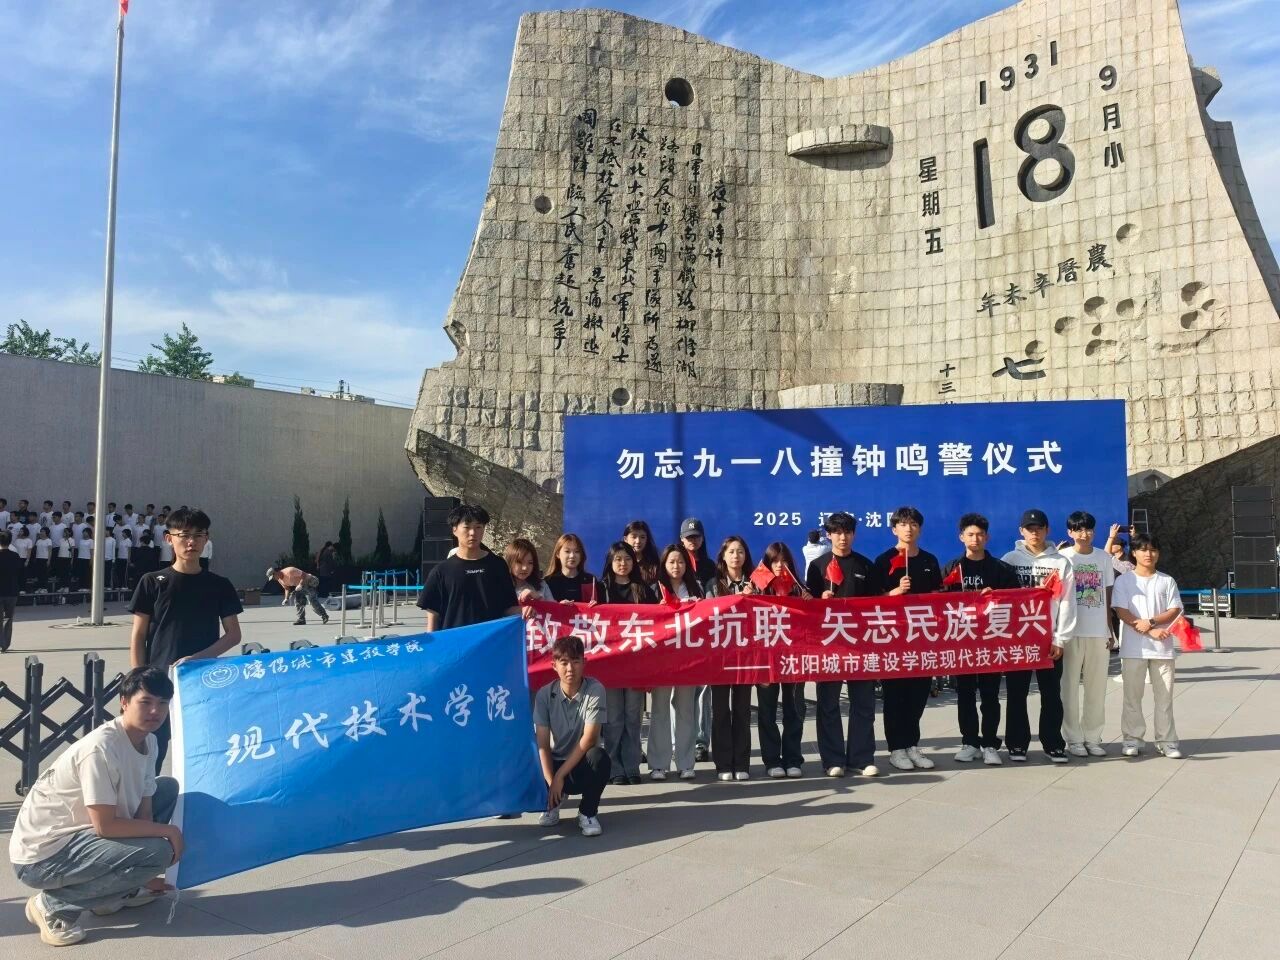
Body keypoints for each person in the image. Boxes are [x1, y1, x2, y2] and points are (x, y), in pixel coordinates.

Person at [9, 667, 182, 947]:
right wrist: (168, 833)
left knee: (167, 789)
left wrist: (144, 876)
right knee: (159, 851)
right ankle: (53, 906)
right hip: (42, 856)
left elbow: (145, 808)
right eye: (146, 702)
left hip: (82, 836)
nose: (155, 711)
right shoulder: (101, 748)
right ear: (124, 703)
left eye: (162, 703)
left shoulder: (149, 740)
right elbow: (106, 826)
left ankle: (115, 893)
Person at [127, 508, 243, 771]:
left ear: (206, 539)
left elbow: (233, 635)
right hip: (158, 684)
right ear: (169, 539)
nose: (191, 542)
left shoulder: (219, 585)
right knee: (150, 758)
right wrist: (139, 680)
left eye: (198, 535)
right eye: (184, 535)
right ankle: (148, 798)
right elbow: (139, 635)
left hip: (203, 682)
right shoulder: (152, 582)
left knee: (202, 754)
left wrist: (197, 659)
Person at [805, 511, 885, 778]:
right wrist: (821, 600)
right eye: (837, 532)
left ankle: (861, 759)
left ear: (854, 534)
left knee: (863, 703)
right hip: (828, 645)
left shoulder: (865, 565)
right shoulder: (818, 566)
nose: (843, 537)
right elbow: (807, 609)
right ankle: (832, 760)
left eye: (847, 532)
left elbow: (876, 606)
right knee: (828, 704)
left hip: (860, 645)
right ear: (828, 535)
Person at [943, 514, 1020, 765]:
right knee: (965, 694)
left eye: (980, 534)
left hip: (991, 642)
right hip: (962, 641)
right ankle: (969, 742)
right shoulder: (951, 568)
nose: (975, 539)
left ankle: (989, 743)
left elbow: (1015, 604)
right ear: (961, 537)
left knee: (990, 695)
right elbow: (939, 604)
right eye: (970, 534)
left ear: (987, 537)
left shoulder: (1001, 569)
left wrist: (996, 596)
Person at [1001, 509, 1077, 763]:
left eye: (1039, 528)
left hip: (1049, 639)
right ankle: (1016, 744)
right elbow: (1000, 600)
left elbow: (1067, 603)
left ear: (1047, 530)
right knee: (1016, 692)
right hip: (1018, 639)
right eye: (1029, 529)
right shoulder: (1010, 560)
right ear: (1021, 531)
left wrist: (1060, 638)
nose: (1034, 533)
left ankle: (1053, 743)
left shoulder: (1061, 563)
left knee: (1051, 694)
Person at [876, 506, 943, 771]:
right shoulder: (884, 561)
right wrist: (894, 593)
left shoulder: (929, 560)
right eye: (903, 524)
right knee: (895, 696)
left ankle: (912, 745)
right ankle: (896, 748)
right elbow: (871, 601)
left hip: (922, 638)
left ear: (920, 529)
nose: (908, 529)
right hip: (893, 639)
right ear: (894, 529)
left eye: (913, 524)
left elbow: (939, 596)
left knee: (918, 694)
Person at [1112, 534, 1185, 759]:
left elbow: (1174, 609)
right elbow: (1121, 611)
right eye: (1143, 550)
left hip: (1162, 648)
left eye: (1153, 550)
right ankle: (1132, 739)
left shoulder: (1166, 580)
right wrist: (1148, 629)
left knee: (1164, 697)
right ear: (1134, 553)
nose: (1148, 554)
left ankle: (1166, 741)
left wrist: (1152, 622)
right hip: (1133, 648)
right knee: (1132, 697)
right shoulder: (1124, 581)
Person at [534, 635, 609, 836]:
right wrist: (552, 782)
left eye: (576, 662)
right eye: (564, 662)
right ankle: (552, 802)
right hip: (555, 762)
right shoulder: (544, 695)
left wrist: (560, 776)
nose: (570, 669)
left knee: (599, 757)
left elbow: (589, 738)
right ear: (554, 665)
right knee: (532, 755)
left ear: (584, 662)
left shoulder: (595, 690)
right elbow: (542, 743)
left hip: (581, 763)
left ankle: (587, 813)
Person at [1059, 511, 1116, 758]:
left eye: (1089, 529)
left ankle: (1093, 737)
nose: (1085, 534)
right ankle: (1073, 739)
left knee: (1096, 687)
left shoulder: (1103, 557)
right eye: (1079, 530)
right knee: (1069, 687)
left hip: (1097, 631)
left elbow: (1108, 594)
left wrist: (1109, 629)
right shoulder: (1063, 557)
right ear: (1070, 532)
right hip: (1070, 632)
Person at [648, 544, 703, 781]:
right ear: (664, 564)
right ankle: (658, 764)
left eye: (680, 561)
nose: (676, 566)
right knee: (659, 709)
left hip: (687, 658)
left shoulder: (695, 587)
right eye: (671, 561)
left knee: (686, 710)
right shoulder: (654, 589)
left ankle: (685, 762)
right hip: (661, 658)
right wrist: (657, 611)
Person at [599, 541, 652, 785]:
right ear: (610, 562)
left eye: (628, 559)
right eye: (618, 559)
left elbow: (659, 621)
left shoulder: (643, 590)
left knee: (633, 717)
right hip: (609, 664)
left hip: (636, 665)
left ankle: (632, 766)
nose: (623, 563)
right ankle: (613, 767)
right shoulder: (600, 589)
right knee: (613, 719)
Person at [418, 503, 519, 631]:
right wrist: (432, 642)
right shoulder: (441, 571)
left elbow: (508, 607)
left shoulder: (497, 565)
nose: (473, 533)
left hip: (491, 640)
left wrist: (529, 610)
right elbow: (433, 616)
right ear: (454, 529)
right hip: (456, 641)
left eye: (478, 527)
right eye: (467, 527)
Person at [754, 541, 809, 778]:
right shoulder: (758, 588)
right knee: (767, 712)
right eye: (775, 561)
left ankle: (793, 759)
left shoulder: (799, 588)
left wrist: (810, 602)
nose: (779, 565)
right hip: (766, 659)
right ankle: (772, 761)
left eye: (783, 561)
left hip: (794, 659)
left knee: (794, 710)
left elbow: (812, 623)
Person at [705, 536, 756, 781]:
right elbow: (707, 616)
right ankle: (724, 763)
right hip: (720, 656)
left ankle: (742, 763)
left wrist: (752, 597)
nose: (736, 556)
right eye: (731, 551)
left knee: (742, 710)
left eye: (740, 551)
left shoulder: (754, 583)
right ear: (723, 556)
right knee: (721, 711)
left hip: (746, 656)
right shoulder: (713, 584)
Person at [678, 517, 714, 761]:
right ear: (682, 539)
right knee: (678, 692)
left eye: (696, 537)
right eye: (689, 537)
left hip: (703, 636)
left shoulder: (709, 566)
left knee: (703, 690)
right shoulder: (673, 563)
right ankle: (679, 741)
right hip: (678, 636)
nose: (693, 541)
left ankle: (701, 742)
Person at [544, 533, 601, 603]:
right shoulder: (548, 582)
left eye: (577, 551)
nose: (572, 556)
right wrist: (558, 606)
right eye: (567, 551)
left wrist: (597, 605)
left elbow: (602, 606)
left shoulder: (590, 580)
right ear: (558, 554)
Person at [505, 538, 554, 602]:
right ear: (510, 562)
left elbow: (553, 606)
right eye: (519, 562)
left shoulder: (541, 585)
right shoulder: (502, 586)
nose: (525, 568)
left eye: (530, 563)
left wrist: (538, 598)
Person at [1, 531, 22, 652]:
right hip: (11, 591)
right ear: (10, 542)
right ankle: (5, 645)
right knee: (8, 618)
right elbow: (20, 573)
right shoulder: (15, 556)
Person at [622, 519, 661, 585]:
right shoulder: (620, 564)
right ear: (625, 539)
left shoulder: (654, 567)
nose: (638, 541)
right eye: (634, 537)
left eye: (642, 537)